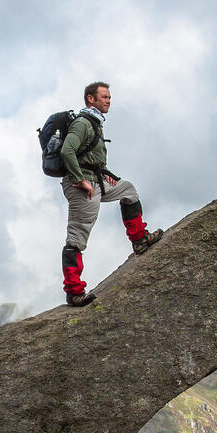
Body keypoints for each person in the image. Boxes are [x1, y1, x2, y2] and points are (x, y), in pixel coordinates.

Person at [60, 81, 162, 307]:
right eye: (104, 97)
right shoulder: (82, 123)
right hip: (83, 186)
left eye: (109, 97)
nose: (108, 101)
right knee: (77, 239)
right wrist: (80, 180)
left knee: (128, 191)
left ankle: (139, 240)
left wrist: (105, 174)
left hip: (97, 180)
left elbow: (90, 156)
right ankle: (74, 292)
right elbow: (67, 151)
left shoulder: (95, 122)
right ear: (91, 99)